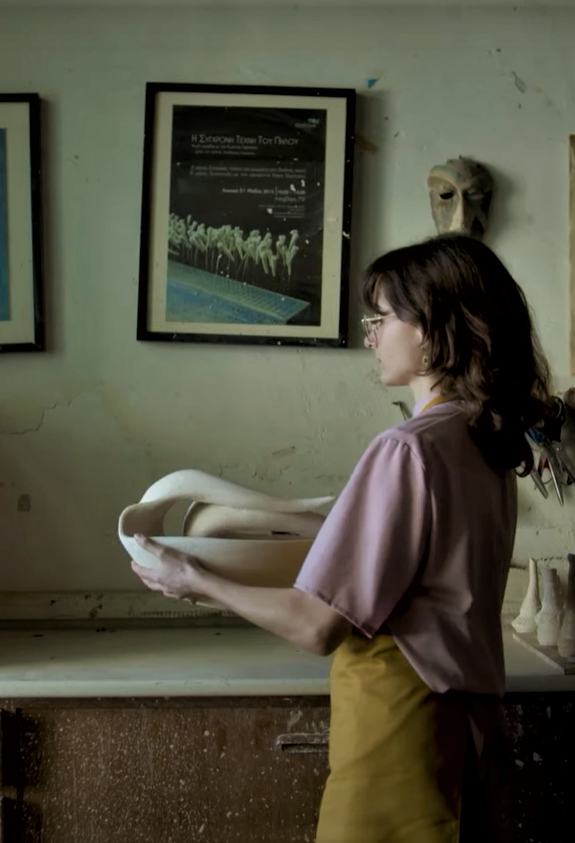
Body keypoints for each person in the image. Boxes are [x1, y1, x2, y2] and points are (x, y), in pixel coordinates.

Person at [129, 234, 552, 842]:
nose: (370, 335)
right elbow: (413, 561)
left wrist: (194, 579)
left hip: (403, 734)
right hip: (467, 731)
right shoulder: (482, 441)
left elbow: (317, 625)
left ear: (435, 331)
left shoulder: (406, 449)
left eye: (383, 318)